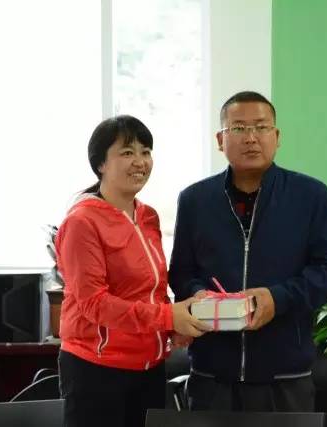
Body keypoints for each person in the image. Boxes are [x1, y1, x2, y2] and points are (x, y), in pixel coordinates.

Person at [169, 91, 327, 412]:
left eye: (261, 127)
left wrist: (276, 299)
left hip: (285, 376)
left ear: (276, 136)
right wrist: (199, 296)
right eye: (238, 128)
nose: (251, 137)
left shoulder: (310, 196)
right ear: (220, 140)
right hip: (212, 376)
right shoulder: (195, 200)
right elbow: (181, 272)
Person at [55, 115, 210, 427]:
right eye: (127, 152)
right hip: (97, 368)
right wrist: (168, 317)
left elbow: (150, 290)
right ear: (100, 163)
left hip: (149, 367)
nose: (140, 162)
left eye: (146, 152)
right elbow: (94, 304)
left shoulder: (148, 216)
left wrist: (174, 326)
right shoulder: (82, 222)